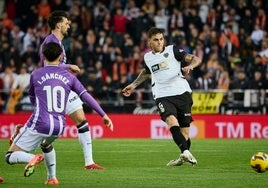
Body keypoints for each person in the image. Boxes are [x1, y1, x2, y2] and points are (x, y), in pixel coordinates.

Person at [5, 42, 114, 185]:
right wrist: (104, 115)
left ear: (43, 56)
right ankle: (52, 178)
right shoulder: (69, 77)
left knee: (9, 156)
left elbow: (33, 100)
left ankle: (32, 158)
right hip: (59, 126)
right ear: (61, 56)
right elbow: (86, 96)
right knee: (46, 145)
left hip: (40, 123)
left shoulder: (35, 74)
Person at [10, 10, 105, 170]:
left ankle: (89, 162)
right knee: (53, 129)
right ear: (58, 24)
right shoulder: (49, 41)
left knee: (81, 119)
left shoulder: (59, 42)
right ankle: (22, 136)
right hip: (54, 85)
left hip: (62, 85)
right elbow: (47, 66)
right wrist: (69, 66)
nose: (69, 25)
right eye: (66, 22)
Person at [122, 27, 201, 166]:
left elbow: (195, 58)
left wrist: (191, 66)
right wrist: (134, 85)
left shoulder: (173, 50)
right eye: (156, 40)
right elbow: (147, 72)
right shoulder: (147, 57)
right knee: (171, 121)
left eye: (161, 39)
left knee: (185, 134)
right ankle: (185, 152)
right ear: (149, 42)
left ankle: (182, 156)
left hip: (182, 93)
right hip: (162, 95)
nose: (159, 42)